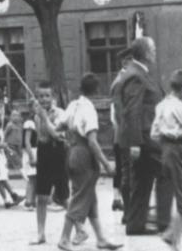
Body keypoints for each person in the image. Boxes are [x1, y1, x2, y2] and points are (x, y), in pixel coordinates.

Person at [54, 73, 122, 251]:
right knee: (81, 196)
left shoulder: (73, 104)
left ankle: (100, 238)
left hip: (72, 152)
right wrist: (106, 163)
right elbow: (92, 141)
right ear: (97, 90)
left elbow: (59, 126)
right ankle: (64, 238)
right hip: (84, 154)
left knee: (89, 197)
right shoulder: (89, 109)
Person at [116, 37, 171, 234]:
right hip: (145, 138)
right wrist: (135, 143)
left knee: (142, 180)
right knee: (166, 172)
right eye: (153, 49)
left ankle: (135, 224)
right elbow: (132, 110)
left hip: (144, 137)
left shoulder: (139, 73)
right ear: (146, 53)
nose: (155, 52)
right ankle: (164, 222)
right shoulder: (136, 75)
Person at [151, 69, 182, 251]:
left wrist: (167, 137)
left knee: (181, 194)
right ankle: (171, 237)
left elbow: (154, 133)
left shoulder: (161, 105)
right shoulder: (178, 106)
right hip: (180, 150)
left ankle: (173, 239)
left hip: (166, 150)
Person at [30, 81, 70, 245]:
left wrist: (45, 118)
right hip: (44, 153)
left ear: (53, 97)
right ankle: (40, 233)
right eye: (40, 96)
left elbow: (57, 135)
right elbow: (42, 137)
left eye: (47, 96)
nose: (44, 99)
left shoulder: (60, 113)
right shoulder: (37, 115)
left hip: (58, 153)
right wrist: (41, 118)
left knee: (63, 196)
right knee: (41, 196)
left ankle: (80, 227)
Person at [0, 111, 24, 208]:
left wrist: (6, 149)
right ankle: (9, 198)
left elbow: (3, 144)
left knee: (1, 179)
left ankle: (10, 197)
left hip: (0, 158)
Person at [110, 49, 132, 213]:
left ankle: (118, 199)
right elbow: (117, 113)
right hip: (123, 133)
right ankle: (123, 203)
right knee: (124, 168)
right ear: (125, 62)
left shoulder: (124, 79)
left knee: (122, 167)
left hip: (121, 132)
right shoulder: (121, 82)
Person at [22, 108, 37, 210]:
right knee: (32, 178)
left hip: (36, 151)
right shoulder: (29, 123)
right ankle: (28, 201)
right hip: (31, 152)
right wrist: (32, 157)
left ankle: (33, 200)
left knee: (36, 178)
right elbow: (27, 141)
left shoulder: (36, 122)